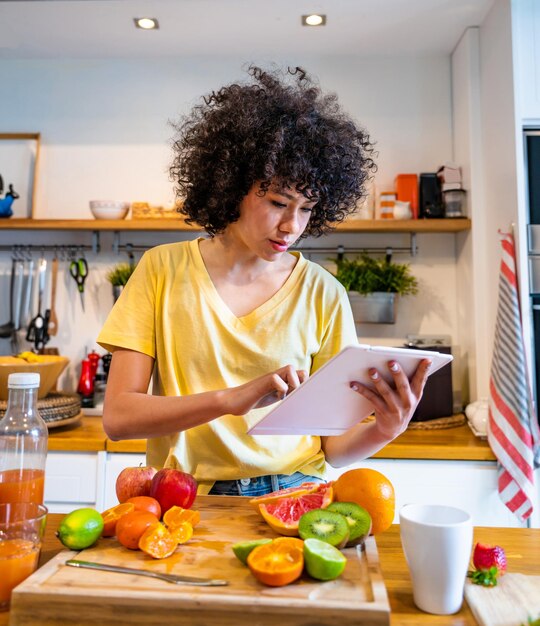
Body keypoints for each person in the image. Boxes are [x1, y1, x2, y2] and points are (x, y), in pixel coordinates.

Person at [97, 66, 431, 496]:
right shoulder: (162, 270)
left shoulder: (324, 292)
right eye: (278, 202)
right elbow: (119, 418)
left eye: (308, 208)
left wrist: (385, 429)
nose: (292, 225)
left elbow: (333, 447)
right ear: (231, 185)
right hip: (186, 494)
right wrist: (229, 400)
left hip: (297, 490)